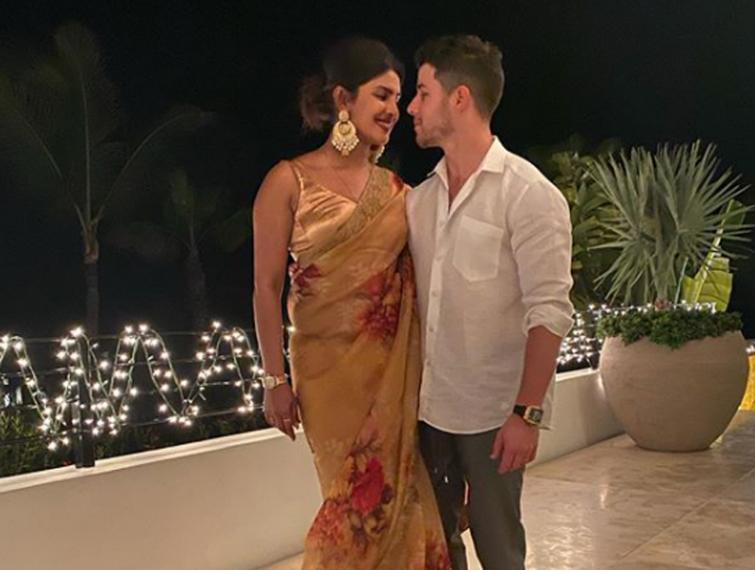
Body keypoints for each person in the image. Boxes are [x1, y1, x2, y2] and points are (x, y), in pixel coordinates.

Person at [252, 37, 450, 569]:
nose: (394, 110)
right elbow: (266, 288)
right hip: (324, 374)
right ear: (343, 98)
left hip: (391, 370)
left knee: (400, 499)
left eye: (398, 99)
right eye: (381, 95)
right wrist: (274, 380)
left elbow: (424, 280)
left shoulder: (397, 191)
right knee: (352, 501)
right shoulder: (287, 181)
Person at [406, 35, 574, 570]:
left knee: (500, 549)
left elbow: (550, 310)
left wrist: (527, 413)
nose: (411, 107)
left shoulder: (528, 194)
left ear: (459, 98)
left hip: (493, 415)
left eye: (423, 93)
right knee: (435, 547)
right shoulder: (419, 201)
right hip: (429, 410)